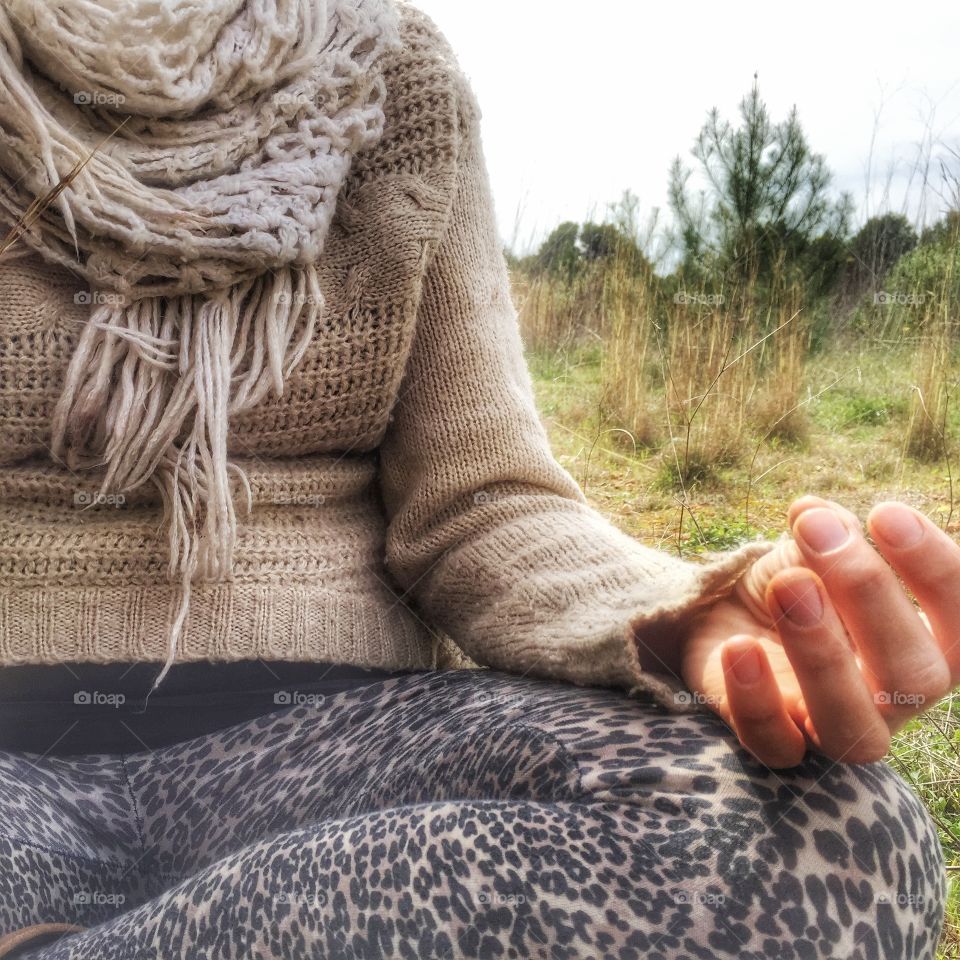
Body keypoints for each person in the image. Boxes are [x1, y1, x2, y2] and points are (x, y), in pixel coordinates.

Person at [0, 1, 947, 957]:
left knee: (832, 845)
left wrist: (681, 621)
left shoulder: (392, 69)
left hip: (334, 748)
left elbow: (479, 500)